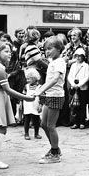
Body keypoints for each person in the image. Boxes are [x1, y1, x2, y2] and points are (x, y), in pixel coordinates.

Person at [34, 36, 66, 164]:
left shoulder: (60, 62)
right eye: (45, 49)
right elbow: (48, 80)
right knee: (43, 124)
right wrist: (42, 92)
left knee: (51, 126)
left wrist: (41, 90)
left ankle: (55, 153)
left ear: (58, 49)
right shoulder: (52, 61)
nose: (47, 52)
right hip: (49, 95)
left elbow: (55, 79)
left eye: (49, 49)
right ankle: (55, 149)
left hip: (56, 96)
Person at [67, 48, 89, 129]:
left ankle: (82, 122)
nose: (78, 58)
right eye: (76, 56)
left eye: (80, 56)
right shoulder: (73, 65)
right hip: (74, 87)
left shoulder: (85, 65)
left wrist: (79, 84)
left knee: (82, 105)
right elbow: (70, 76)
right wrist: (73, 84)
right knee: (75, 106)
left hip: (83, 88)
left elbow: (86, 77)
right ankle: (75, 122)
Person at [23, 68, 42, 140]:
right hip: (27, 105)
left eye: (29, 79)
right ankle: (26, 133)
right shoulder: (26, 86)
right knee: (27, 119)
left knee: (36, 119)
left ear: (34, 78)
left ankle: (36, 133)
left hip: (35, 104)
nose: (27, 80)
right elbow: (23, 94)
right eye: (27, 79)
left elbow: (42, 96)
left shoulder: (39, 87)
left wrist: (41, 104)